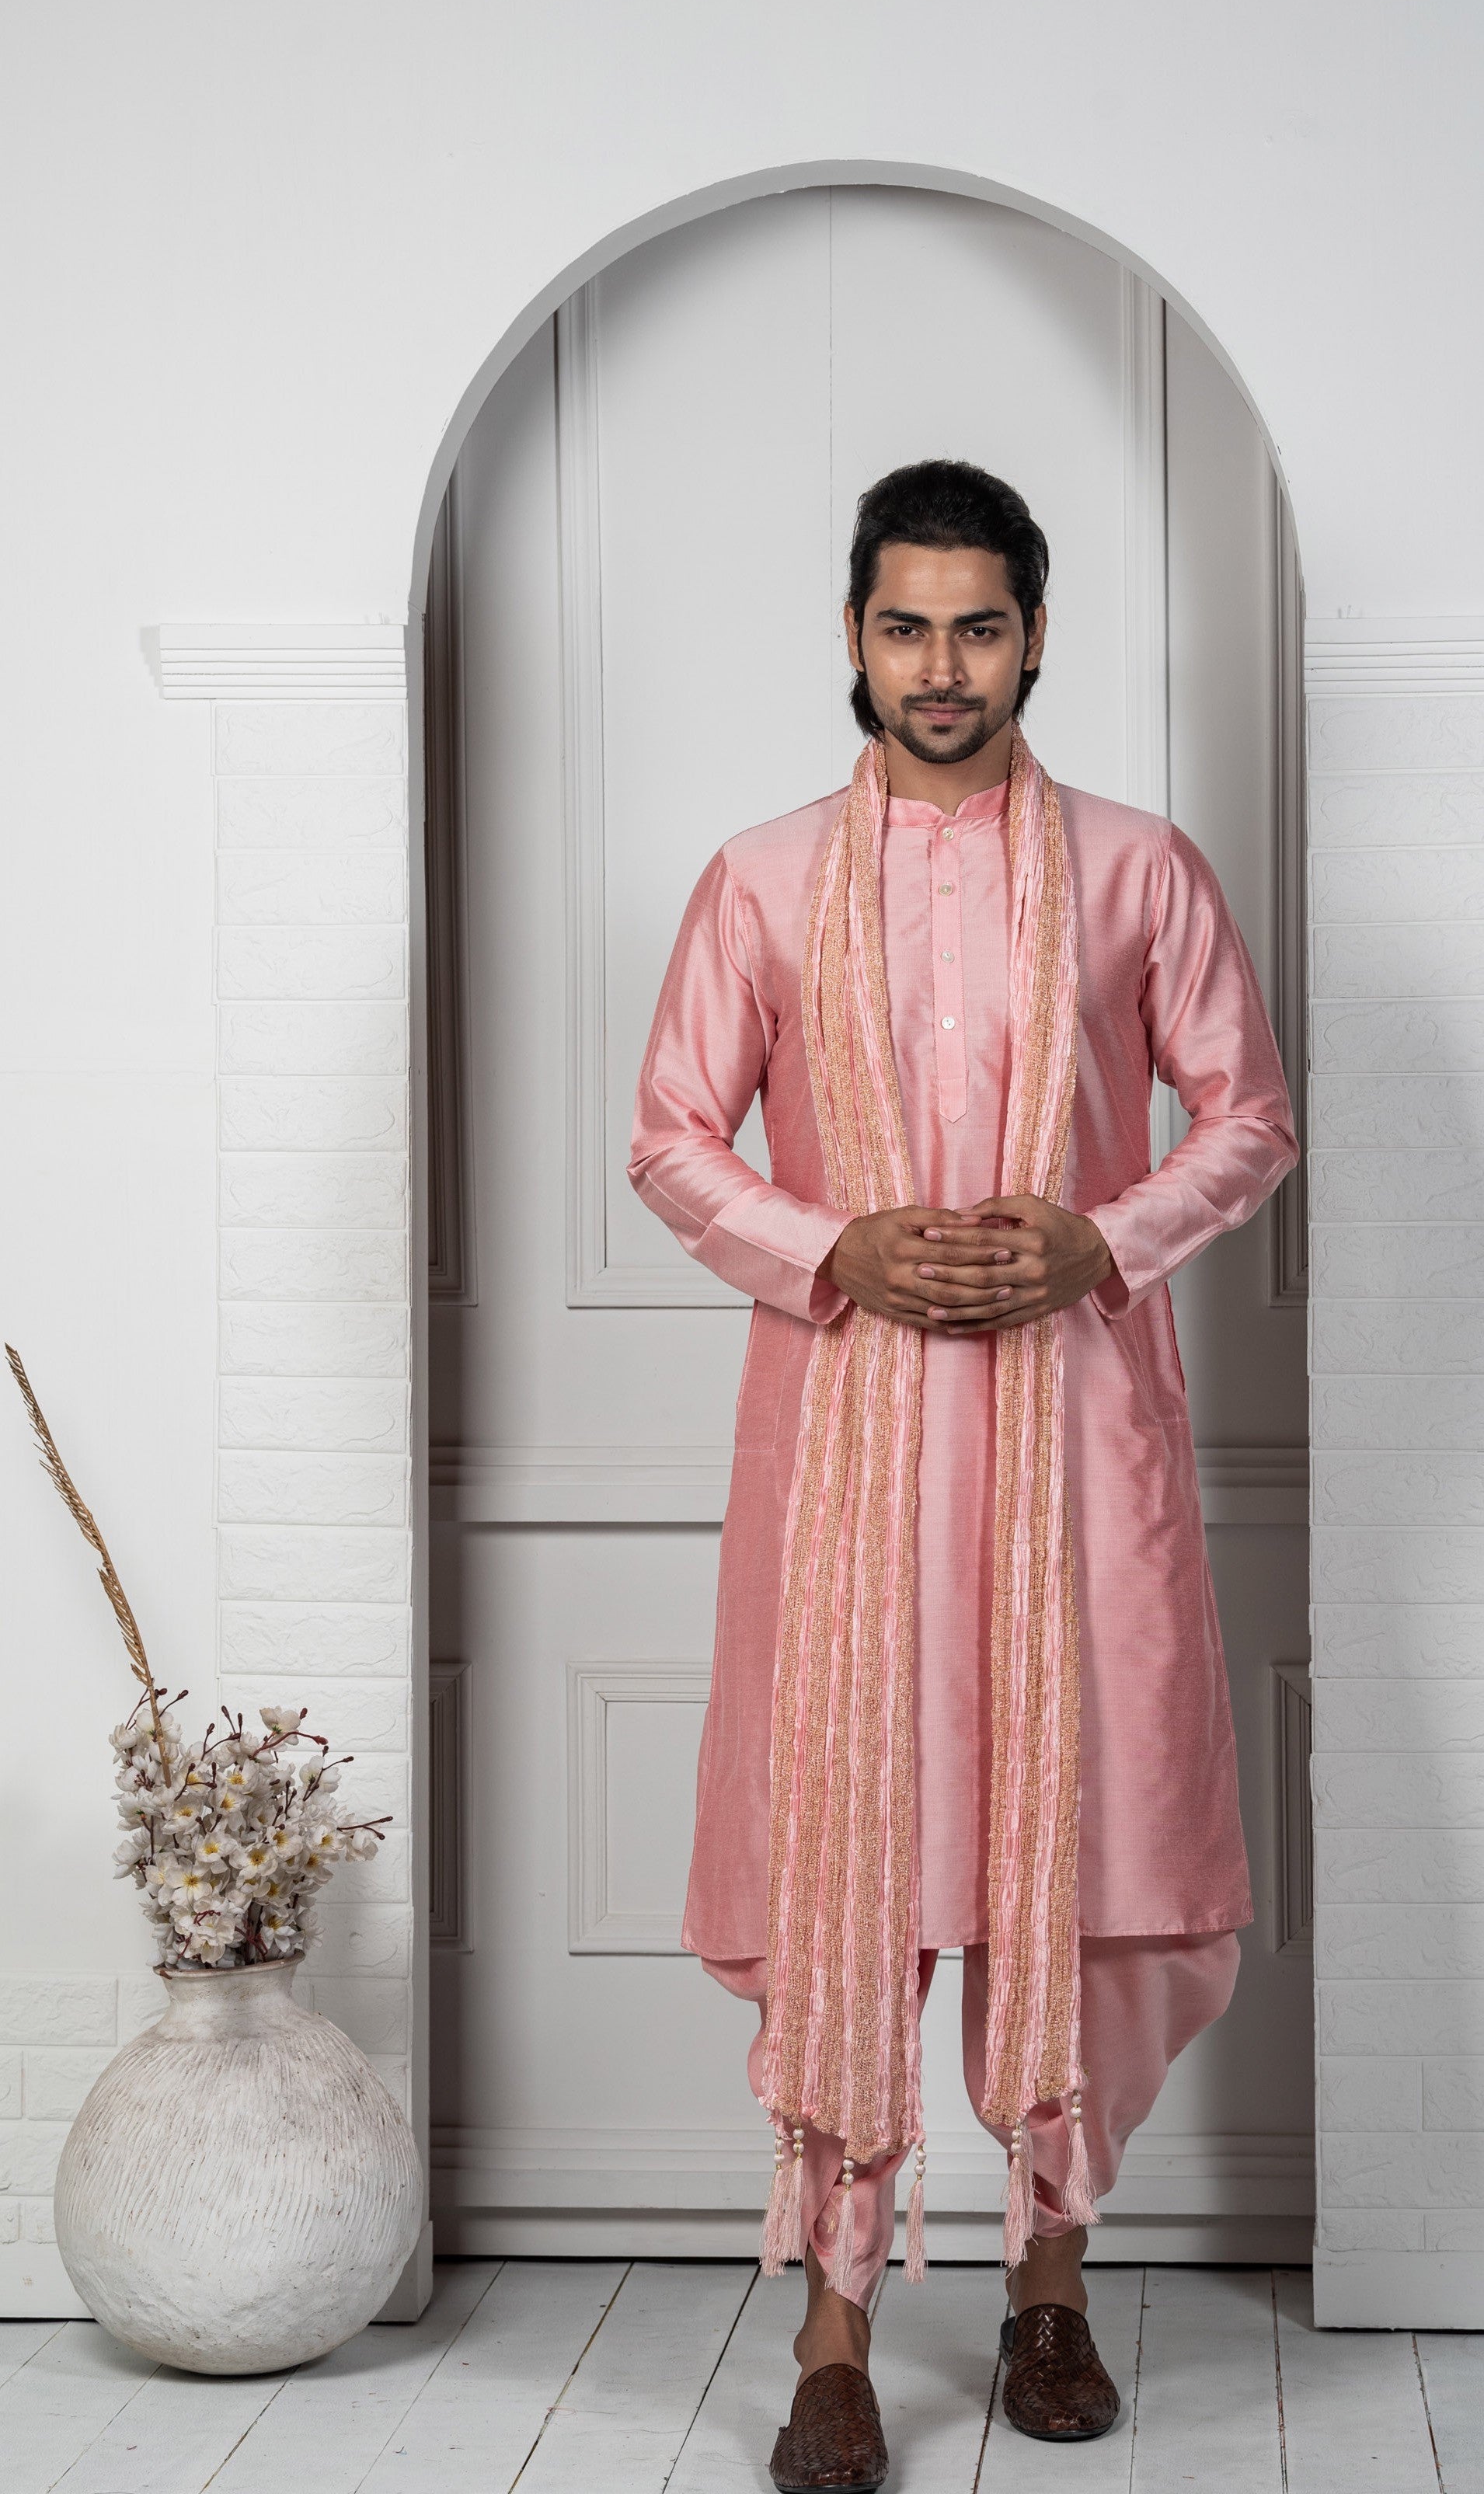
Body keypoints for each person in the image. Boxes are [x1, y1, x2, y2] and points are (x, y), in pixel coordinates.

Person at [628, 460, 1298, 2485]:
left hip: (1074, 1454)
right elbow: (671, 1138)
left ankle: (1048, 2294)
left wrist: (1108, 1235)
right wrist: (834, 1245)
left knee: (1073, 1862)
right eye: (906, 627)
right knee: (852, 1853)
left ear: (1034, 637)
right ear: (854, 635)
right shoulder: (760, 881)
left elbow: (1249, 1115)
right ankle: (833, 2335)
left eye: (979, 627)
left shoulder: (1137, 872)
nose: (942, 667)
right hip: (849, 1463)